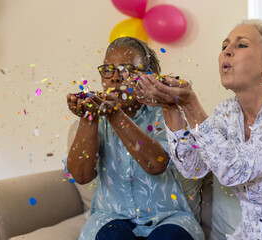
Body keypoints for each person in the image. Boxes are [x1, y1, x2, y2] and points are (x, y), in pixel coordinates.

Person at [135, 19, 262, 239]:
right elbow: (193, 167)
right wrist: (171, 108)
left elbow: (237, 168)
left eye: (241, 45)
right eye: (224, 46)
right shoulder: (226, 112)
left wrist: (190, 104)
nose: (226, 52)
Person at [64, 37, 204, 240]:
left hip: (167, 217)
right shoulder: (93, 116)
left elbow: (156, 164)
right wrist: (89, 117)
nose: (115, 77)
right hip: (110, 217)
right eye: (108, 69)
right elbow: (81, 176)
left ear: (148, 77)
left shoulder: (164, 114)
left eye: (127, 69)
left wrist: (114, 115)